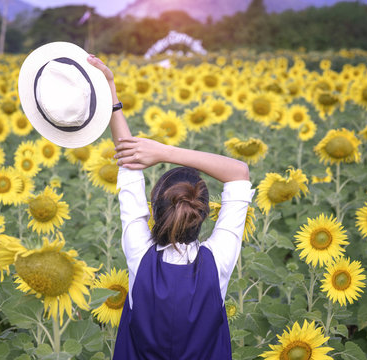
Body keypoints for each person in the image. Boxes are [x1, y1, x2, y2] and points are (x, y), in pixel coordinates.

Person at [87, 54, 256, 360]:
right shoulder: (217, 262)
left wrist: (111, 89)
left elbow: (127, 164)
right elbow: (239, 172)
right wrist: (165, 151)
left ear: (153, 209)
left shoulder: (140, 255)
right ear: (204, 213)